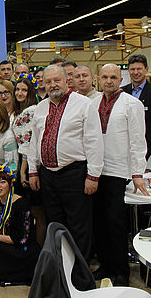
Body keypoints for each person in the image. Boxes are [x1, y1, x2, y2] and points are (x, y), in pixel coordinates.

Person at [28, 65, 104, 259]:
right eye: (48, 82)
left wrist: (93, 176)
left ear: (66, 81)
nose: (53, 85)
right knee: (55, 223)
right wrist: (33, 171)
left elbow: (94, 141)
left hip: (75, 174)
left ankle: (80, 274)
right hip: (47, 175)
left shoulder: (83, 104)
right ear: (43, 84)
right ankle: (61, 267)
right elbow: (35, 141)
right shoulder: (41, 107)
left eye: (57, 80)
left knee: (79, 225)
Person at [91, 64, 148, 286]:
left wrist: (137, 172)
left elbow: (137, 140)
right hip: (96, 170)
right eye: (105, 77)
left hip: (117, 170)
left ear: (120, 78)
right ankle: (105, 264)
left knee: (115, 222)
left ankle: (121, 270)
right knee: (99, 222)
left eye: (113, 77)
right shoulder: (93, 102)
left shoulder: (131, 104)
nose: (109, 81)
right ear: (99, 79)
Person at [11, 75, 45, 245]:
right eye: (17, 89)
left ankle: (39, 251)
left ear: (31, 92)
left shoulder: (31, 111)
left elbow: (28, 144)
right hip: (23, 162)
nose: (20, 92)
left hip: (31, 166)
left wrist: (24, 171)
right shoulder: (19, 112)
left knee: (37, 213)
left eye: (24, 89)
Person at [121, 54, 151, 158]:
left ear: (146, 69)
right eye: (132, 69)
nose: (135, 72)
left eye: (139, 69)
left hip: (150, 149)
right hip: (126, 149)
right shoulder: (122, 92)